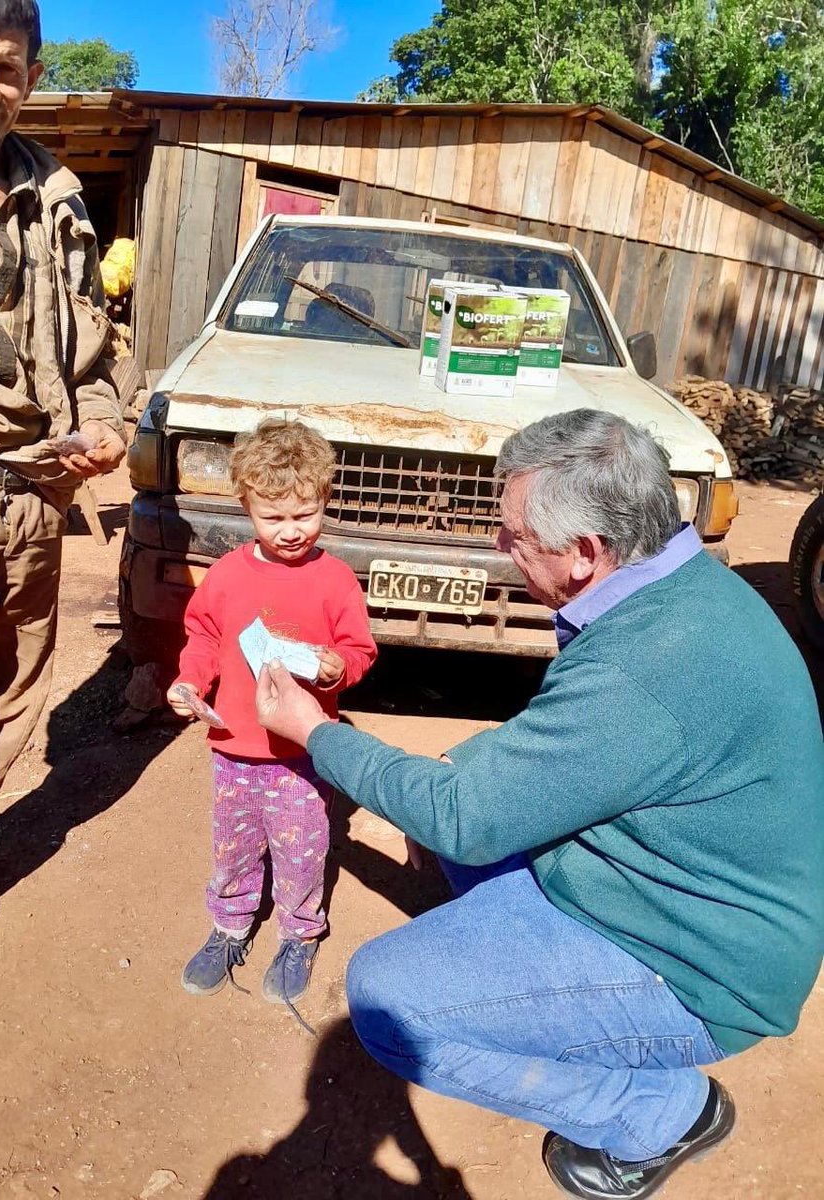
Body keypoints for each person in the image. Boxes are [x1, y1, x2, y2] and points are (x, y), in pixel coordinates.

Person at [255, 408, 824, 1199]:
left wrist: (317, 733)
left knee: (387, 1000)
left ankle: (659, 1111)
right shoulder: (670, 592)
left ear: (587, 552)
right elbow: (561, 744)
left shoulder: (645, 667)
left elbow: (465, 813)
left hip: (701, 969)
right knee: (457, 808)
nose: (500, 547)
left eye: (513, 535)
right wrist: (457, 775)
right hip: (690, 901)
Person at [0, 0, 125, 941]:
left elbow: (92, 344)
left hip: (35, 504)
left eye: (7, 67)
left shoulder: (59, 194)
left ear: (32, 76)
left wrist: (105, 424)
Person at [167, 419, 377, 1022]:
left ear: (325, 504)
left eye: (304, 515)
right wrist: (189, 681)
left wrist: (338, 668)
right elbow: (203, 634)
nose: (290, 532)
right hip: (233, 746)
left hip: (302, 753)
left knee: (302, 849)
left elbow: (358, 651)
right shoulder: (229, 576)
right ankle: (230, 927)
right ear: (246, 507)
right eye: (274, 517)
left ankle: (299, 934)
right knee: (232, 846)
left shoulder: (335, 581)